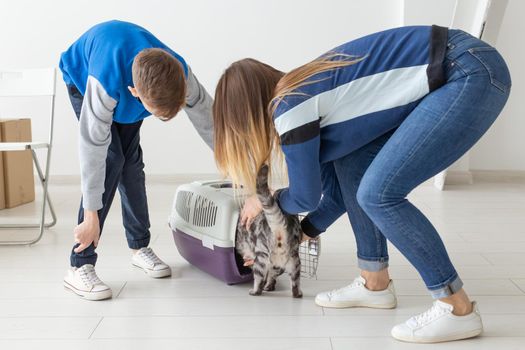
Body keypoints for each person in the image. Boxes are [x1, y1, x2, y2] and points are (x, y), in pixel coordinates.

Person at [212, 25, 511, 343]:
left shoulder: (290, 104)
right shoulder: (312, 101)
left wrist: (266, 199)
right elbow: (337, 196)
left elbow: (305, 196)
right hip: (461, 64)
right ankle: (375, 283)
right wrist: (297, 235)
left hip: (466, 69)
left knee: (379, 194)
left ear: (246, 115)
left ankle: (457, 309)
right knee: (354, 170)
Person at [60, 20, 213, 301]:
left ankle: (139, 246)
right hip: (82, 76)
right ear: (135, 94)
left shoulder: (179, 72)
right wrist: (91, 215)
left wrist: (232, 163)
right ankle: (79, 265)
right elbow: (92, 147)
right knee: (111, 157)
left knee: (131, 165)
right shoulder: (104, 83)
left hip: (127, 77)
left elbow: (208, 117)